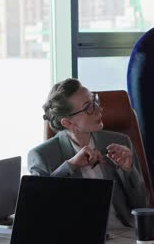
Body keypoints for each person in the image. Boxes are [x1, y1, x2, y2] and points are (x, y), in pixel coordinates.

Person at [28, 78, 147, 229]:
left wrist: (129, 170)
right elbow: (38, 212)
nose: (99, 109)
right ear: (68, 123)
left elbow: (142, 205)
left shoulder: (120, 142)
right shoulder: (42, 155)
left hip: (123, 234)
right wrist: (71, 166)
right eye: (89, 107)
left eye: (95, 100)